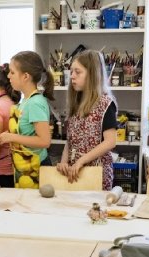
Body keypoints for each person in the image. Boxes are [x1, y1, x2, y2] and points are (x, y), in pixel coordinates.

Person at [55, 50, 117, 190]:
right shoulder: (76, 103)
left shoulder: (105, 104)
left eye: (78, 72)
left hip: (96, 175)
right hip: (75, 173)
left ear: (92, 75)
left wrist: (81, 161)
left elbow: (110, 142)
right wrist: (64, 162)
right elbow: (70, 140)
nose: (72, 76)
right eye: (72, 72)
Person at [0, 50, 54, 189]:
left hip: (36, 168)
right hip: (24, 168)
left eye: (12, 72)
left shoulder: (35, 103)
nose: (8, 76)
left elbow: (44, 141)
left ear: (25, 76)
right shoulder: (26, 101)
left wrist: (12, 137)